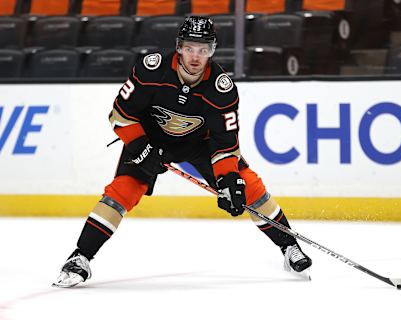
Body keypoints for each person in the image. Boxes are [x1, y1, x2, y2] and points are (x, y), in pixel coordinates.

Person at [53, 16, 312, 288]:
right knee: (122, 190)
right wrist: (140, 147)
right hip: (149, 140)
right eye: (190, 48)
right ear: (179, 47)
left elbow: (225, 144)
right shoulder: (151, 70)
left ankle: (289, 247)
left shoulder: (221, 89)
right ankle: (80, 257)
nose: (195, 56)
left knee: (247, 187)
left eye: (203, 49)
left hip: (199, 144)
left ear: (212, 51)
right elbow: (119, 116)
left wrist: (227, 180)